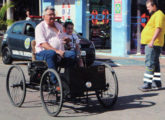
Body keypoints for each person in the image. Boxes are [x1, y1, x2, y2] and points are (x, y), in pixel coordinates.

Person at [35, 6, 76, 84]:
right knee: (51, 53)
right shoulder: (40, 27)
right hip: (43, 53)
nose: (53, 17)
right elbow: (43, 44)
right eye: (50, 15)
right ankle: (54, 81)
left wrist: (66, 40)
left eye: (53, 14)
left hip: (59, 52)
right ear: (44, 16)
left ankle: (68, 79)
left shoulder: (58, 25)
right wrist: (57, 51)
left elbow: (62, 37)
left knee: (72, 54)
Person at [139, 0, 165, 91]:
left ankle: (147, 84)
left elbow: (158, 28)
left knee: (149, 63)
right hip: (154, 43)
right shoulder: (155, 15)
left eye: (149, 7)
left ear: (154, 6)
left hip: (153, 44)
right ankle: (157, 83)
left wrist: (152, 40)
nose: (147, 8)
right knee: (155, 64)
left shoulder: (159, 14)